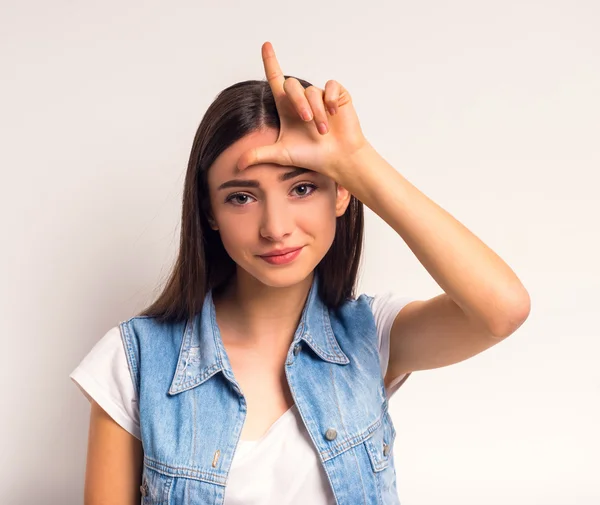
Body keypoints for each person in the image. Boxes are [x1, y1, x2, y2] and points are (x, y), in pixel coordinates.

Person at [70, 41, 530, 505]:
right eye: (241, 197)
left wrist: (356, 161)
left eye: (303, 187)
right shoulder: (134, 362)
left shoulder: (371, 336)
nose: (275, 228)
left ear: (341, 194)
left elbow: (503, 309)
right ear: (209, 212)